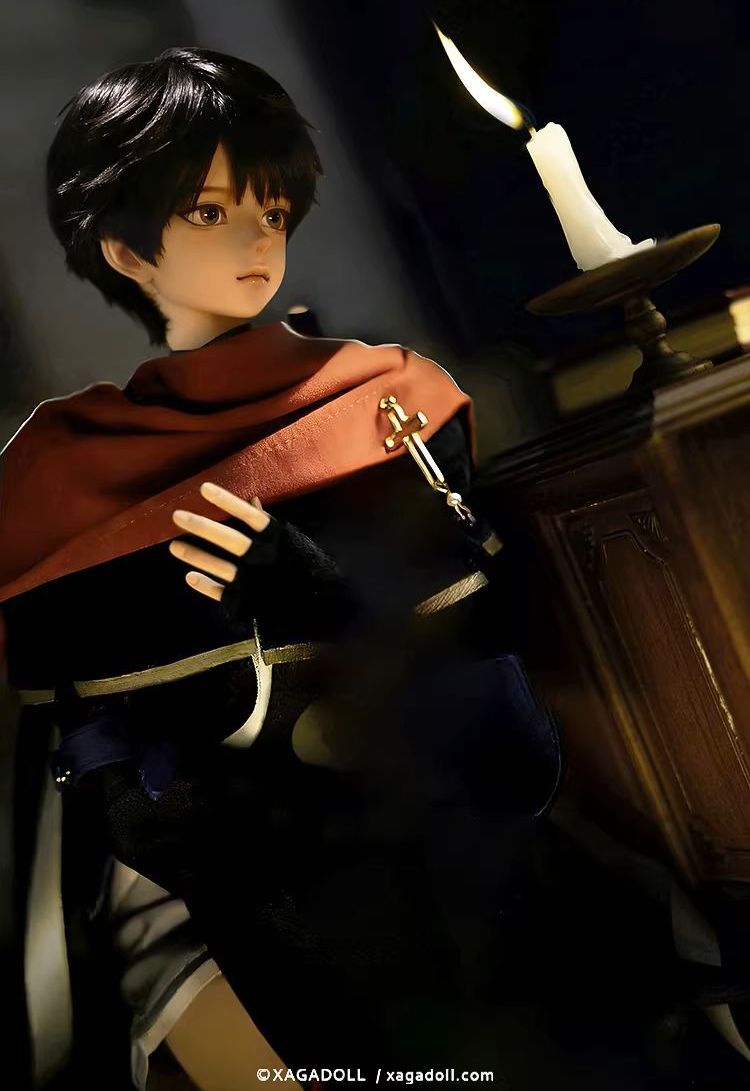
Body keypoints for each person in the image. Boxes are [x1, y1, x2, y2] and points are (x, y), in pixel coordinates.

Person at [0, 46, 689, 1091]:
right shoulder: (62, 472)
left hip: (469, 855)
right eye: (210, 212)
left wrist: (316, 592)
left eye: (271, 211)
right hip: (261, 903)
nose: (255, 241)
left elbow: (499, 716)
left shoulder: (388, 398)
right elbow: (108, 771)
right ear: (126, 250)